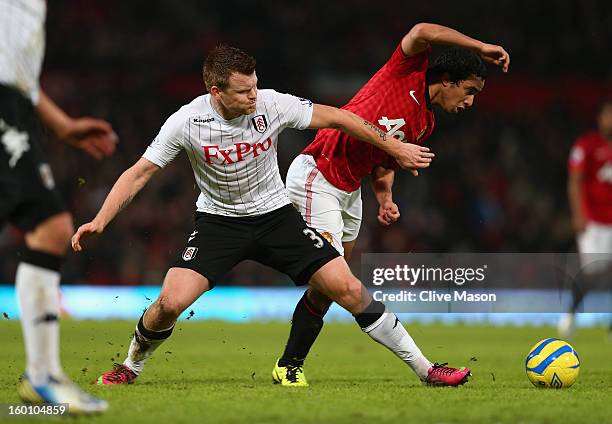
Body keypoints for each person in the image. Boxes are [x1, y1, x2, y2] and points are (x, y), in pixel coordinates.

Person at [71, 44, 468, 387]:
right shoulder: (186, 122)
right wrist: (102, 219)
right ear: (216, 92)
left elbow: (341, 117)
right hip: (219, 224)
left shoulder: (273, 104)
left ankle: (426, 369)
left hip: (277, 218)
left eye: (255, 84)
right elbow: (140, 171)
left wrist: (392, 147)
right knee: (170, 304)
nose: (254, 96)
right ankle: (130, 365)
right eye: (244, 91)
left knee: (346, 287)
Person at [274, 22, 510, 386]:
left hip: (350, 190)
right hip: (317, 174)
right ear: (447, 79)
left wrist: (385, 196)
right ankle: (425, 369)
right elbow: (421, 30)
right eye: (469, 90)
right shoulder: (406, 70)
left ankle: (288, 365)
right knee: (341, 283)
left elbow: (383, 161)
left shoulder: (425, 123)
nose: (470, 102)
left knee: (326, 290)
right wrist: (480, 47)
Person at [0, 0, 117, 413]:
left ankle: (42, 376)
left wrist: (62, 124)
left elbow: (15, 68)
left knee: (50, 227)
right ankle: (42, 376)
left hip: (14, 105)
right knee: (50, 226)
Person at [558, 99, 612, 339]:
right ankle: (571, 312)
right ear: (600, 118)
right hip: (594, 222)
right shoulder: (587, 145)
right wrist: (578, 214)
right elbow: (575, 181)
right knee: (591, 273)